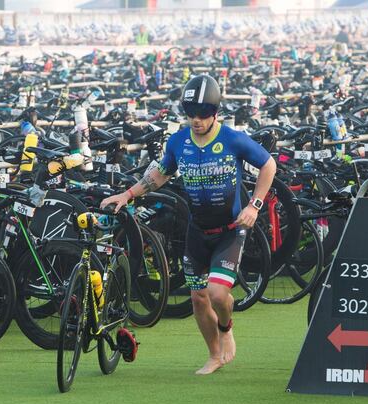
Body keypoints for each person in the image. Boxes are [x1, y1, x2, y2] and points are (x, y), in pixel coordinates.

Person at [100, 75, 277, 375]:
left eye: (203, 114)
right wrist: (127, 194)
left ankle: (226, 327)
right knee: (198, 298)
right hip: (197, 232)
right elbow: (159, 174)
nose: (196, 120)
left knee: (219, 295)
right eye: (191, 114)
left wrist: (254, 205)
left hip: (230, 231)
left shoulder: (232, 139)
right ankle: (214, 354)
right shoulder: (179, 141)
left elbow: (268, 164)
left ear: (215, 113)